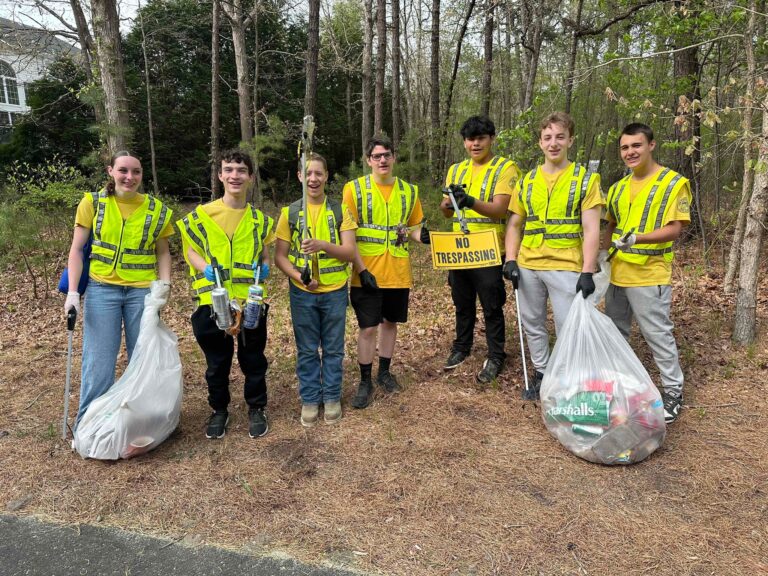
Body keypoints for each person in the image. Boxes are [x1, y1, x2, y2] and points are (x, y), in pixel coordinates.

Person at [65, 151, 173, 428]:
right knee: (98, 361)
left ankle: (141, 423)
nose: (130, 177)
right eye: (123, 170)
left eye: (136, 172)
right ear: (110, 171)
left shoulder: (157, 210)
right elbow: (77, 250)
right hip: (103, 291)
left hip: (141, 293)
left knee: (143, 359)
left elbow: (163, 253)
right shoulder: (93, 203)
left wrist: (164, 287)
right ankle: (90, 425)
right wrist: (73, 292)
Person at [176, 149, 275, 439]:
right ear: (220, 175)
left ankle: (256, 408)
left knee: (253, 359)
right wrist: (205, 268)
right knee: (216, 364)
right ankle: (219, 410)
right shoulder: (202, 215)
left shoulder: (260, 221)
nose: (235, 175)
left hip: (250, 302)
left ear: (250, 177)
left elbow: (266, 255)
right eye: (229, 170)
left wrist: (266, 268)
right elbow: (190, 249)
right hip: (211, 301)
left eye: (241, 170)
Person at [504, 112, 603, 398]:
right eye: (547, 137)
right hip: (528, 265)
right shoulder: (528, 180)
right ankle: (542, 372)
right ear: (540, 143)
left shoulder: (585, 179)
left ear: (570, 140)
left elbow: (591, 228)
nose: (553, 143)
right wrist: (511, 258)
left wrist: (587, 270)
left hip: (566, 266)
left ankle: (567, 377)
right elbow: (514, 223)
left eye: (560, 137)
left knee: (568, 327)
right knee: (532, 322)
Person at [602, 123, 691, 423]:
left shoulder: (672, 183)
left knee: (657, 335)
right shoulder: (616, 188)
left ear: (651, 145)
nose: (630, 152)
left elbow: (676, 228)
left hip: (649, 275)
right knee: (616, 335)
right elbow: (610, 226)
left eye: (636, 146)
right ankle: (620, 386)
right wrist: (601, 256)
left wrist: (638, 238)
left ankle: (673, 392)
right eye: (625, 147)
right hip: (617, 274)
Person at [342, 135, 428, 408]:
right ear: (368, 160)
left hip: (397, 270)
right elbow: (349, 233)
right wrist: (360, 268)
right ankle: (365, 380)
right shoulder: (353, 189)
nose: (382, 160)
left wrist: (423, 236)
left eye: (387, 155)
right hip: (366, 271)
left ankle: (385, 372)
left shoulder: (408, 191)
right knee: (367, 327)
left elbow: (412, 227)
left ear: (394, 158)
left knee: (390, 323)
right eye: (377, 156)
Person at [275, 153, 357, 426]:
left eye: (318, 173)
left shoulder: (339, 210)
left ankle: (332, 396)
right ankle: (310, 399)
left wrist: (323, 245)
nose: (313, 179)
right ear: (300, 176)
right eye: (308, 173)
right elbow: (280, 257)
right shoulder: (290, 213)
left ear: (326, 176)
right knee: (308, 349)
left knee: (333, 349)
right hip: (303, 294)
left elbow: (349, 252)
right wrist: (300, 277)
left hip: (334, 292)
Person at [440, 116, 520, 383]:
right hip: (460, 249)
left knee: (491, 305)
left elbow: (500, 209)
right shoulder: (455, 170)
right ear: (464, 142)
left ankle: (496, 354)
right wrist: (449, 203)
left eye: (481, 138)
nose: (475, 143)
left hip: (488, 248)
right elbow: (446, 212)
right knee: (462, 303)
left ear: (491, 139)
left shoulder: (505, 168)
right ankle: (461, 347)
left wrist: (470, 201)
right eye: (470, 139)